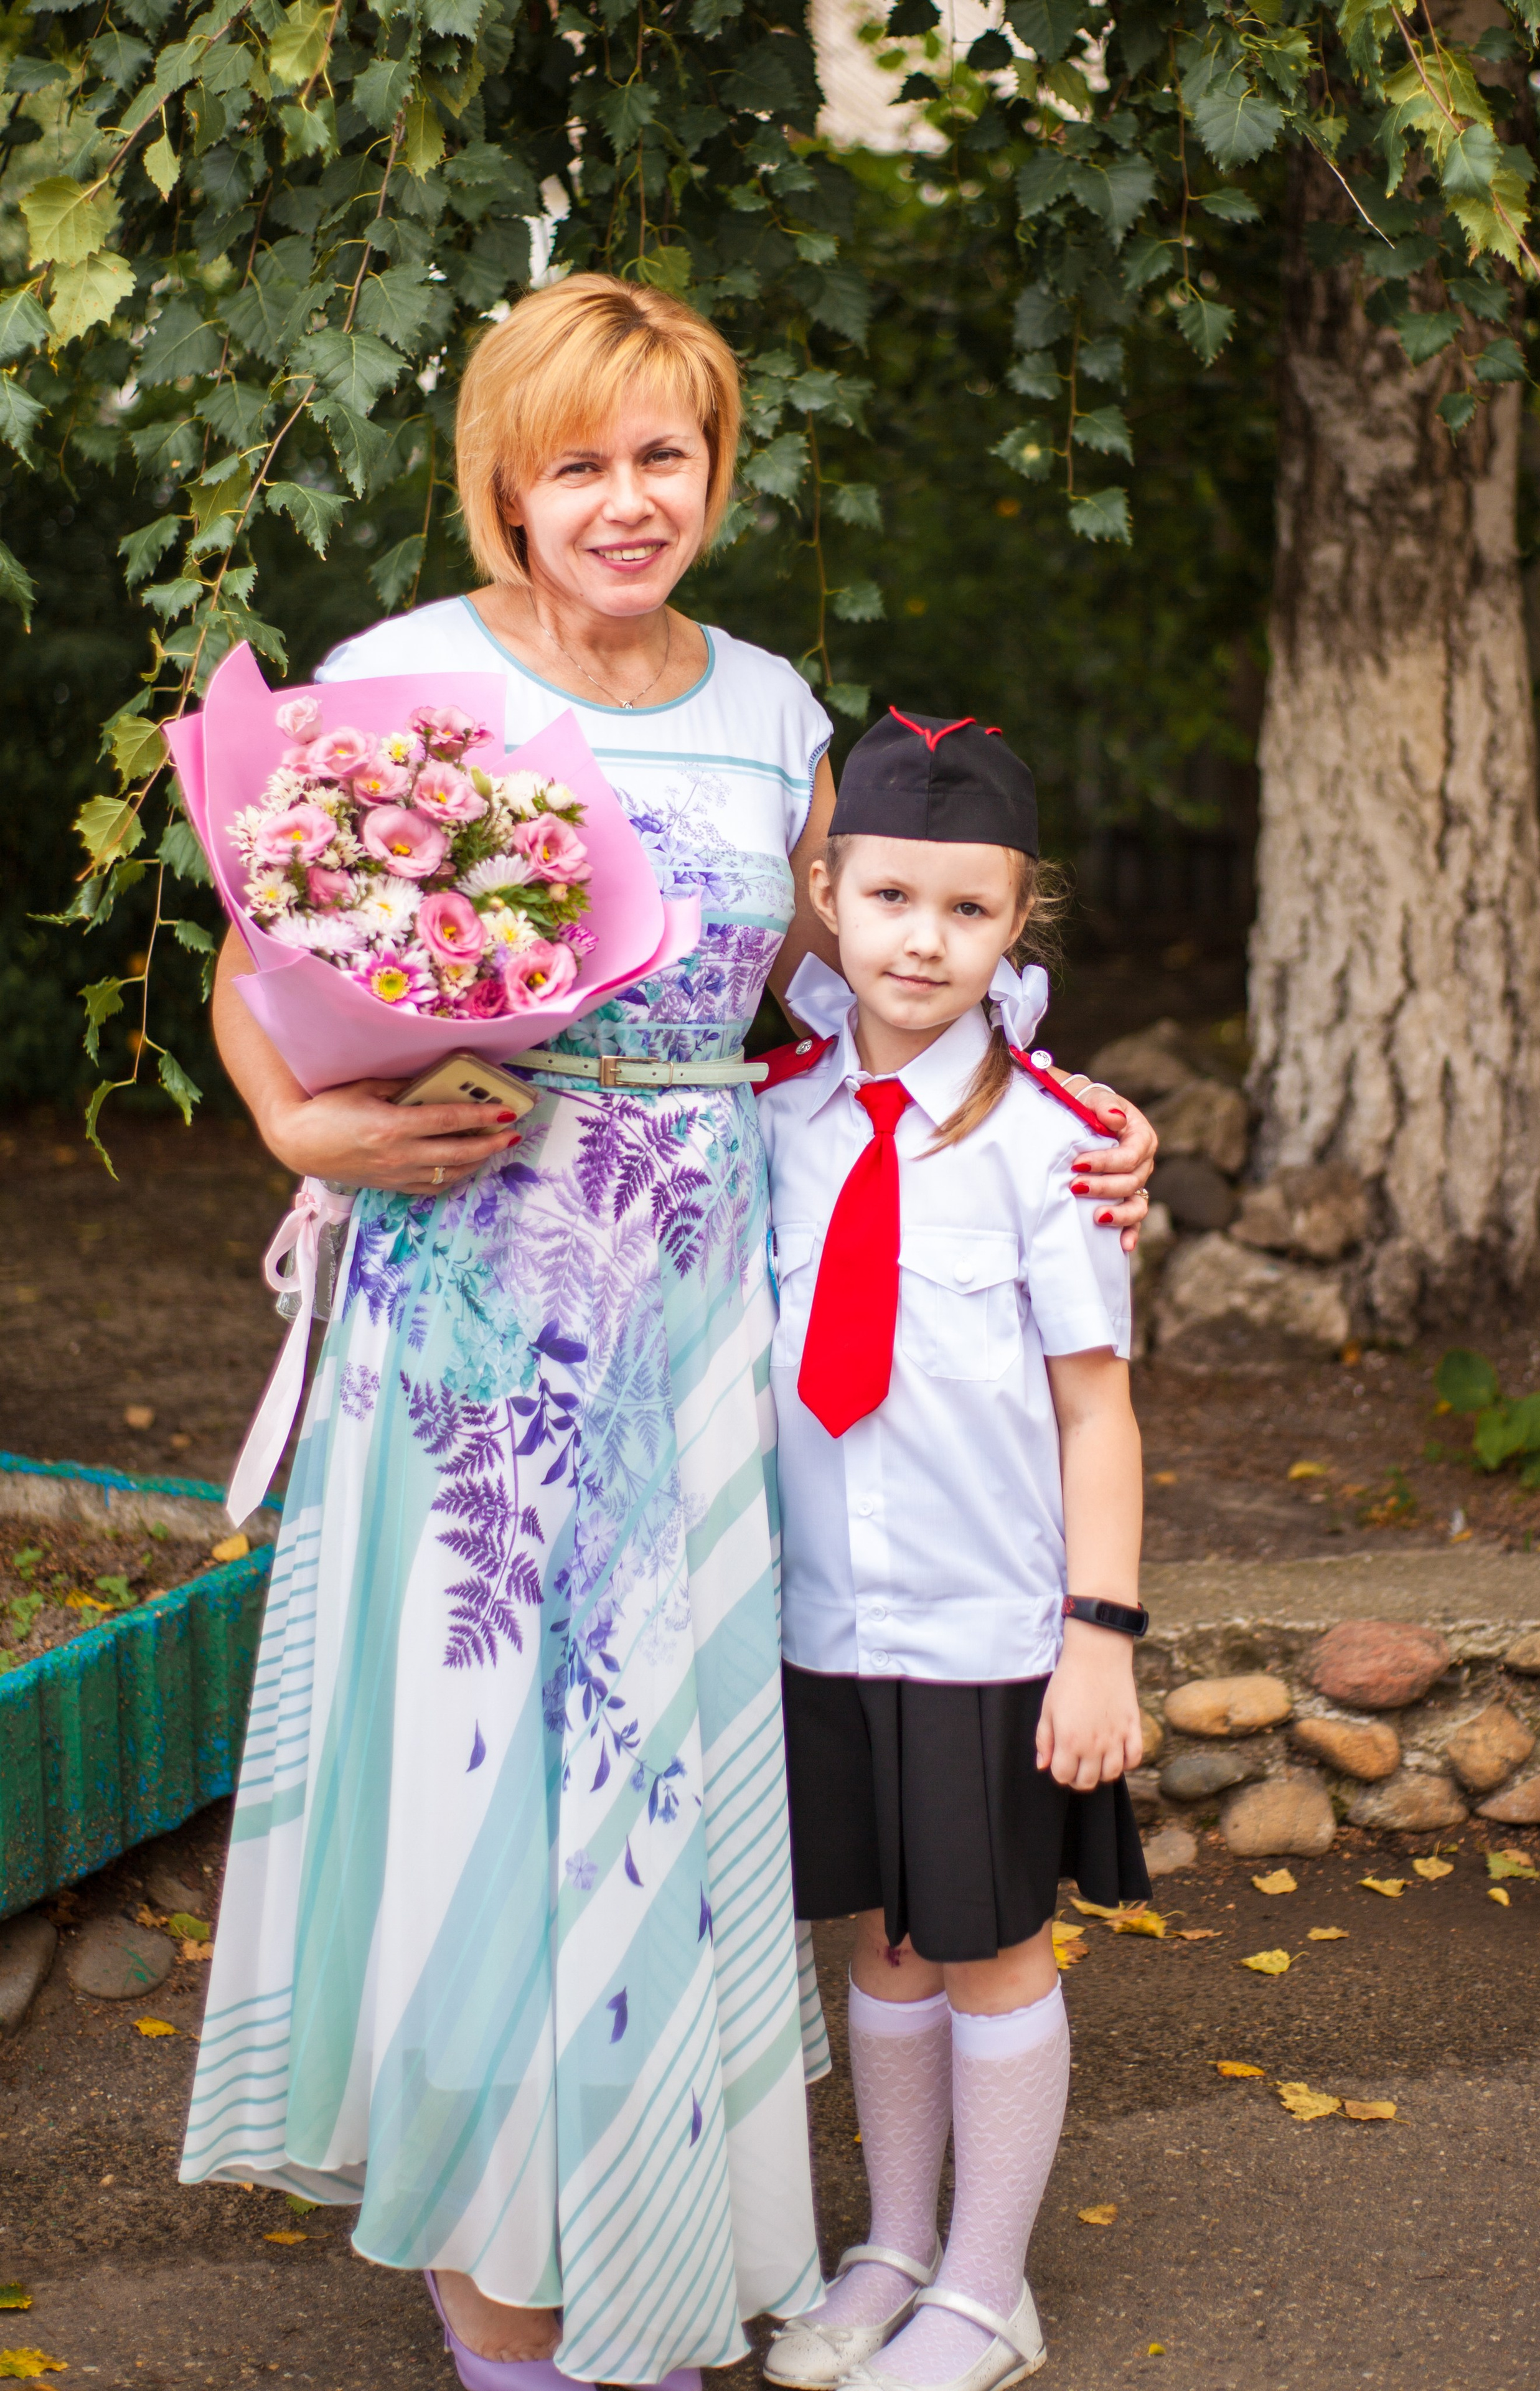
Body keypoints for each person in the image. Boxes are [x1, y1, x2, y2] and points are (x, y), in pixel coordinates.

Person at [180, 276, 1158, 2391]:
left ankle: (656, 2242)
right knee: (478, 1786)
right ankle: (501, 2300)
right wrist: (300, 1119)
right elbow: (266, 972)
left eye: (667, 456)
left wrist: (1075, 1106)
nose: (628, 502)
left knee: (656, 1791)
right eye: (579, 464)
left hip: (707, 1309)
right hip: (469, 1314)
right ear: (506, 484)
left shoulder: (777, 704)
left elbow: (878, 980)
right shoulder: (397, 677)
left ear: (712, 467)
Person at [758, 710, 1150, 2391]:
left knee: (990, 1944)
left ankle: (990, 2290)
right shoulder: (772, 1114)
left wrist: (1102, 1633)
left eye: (969, 909)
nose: (924, 938)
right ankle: (894, 2249)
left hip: (995, 1627)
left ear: (1017, 925)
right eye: (891, 895)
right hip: (824, 1614)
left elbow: (1098, 1413)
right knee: (883, 1939)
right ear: (827, 899)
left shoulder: (1055, 1143)